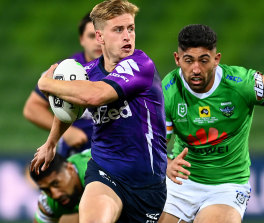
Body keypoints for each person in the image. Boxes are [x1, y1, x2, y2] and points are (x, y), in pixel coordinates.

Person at [158, 24, 264, 223]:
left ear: (216, 60)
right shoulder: (167, 91)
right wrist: (166, 163)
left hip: (227, 186)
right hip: (181, 182)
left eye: (204, 60)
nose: (196, 69)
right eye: (189, 60)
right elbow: (155, 142)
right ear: (177, 59)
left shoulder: (242, 83)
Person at [30, 1, 167, 222]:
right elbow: (70, 109)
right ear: (100, 37)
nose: (127, 36)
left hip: (146, 183)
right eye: (118, 29)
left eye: (130, 28)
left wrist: (47, 84)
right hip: (104, 170)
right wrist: (51, 143)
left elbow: (95, 95)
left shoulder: (141, 65)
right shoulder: (88, 73)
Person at [23, 13, 102, 158]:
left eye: (101, 37)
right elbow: (32, 108)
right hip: (75, 155)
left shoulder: (123, 70)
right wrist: (69, 132)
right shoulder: (63, 70)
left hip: (113, 152)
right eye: (92, 36)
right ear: (81, 39)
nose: (97, 42)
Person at [30, 149, 91, 223]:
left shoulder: (96, 175)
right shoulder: (48, 202)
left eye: (56, 183)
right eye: (46, 189)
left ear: (70, 169)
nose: (55, 195)